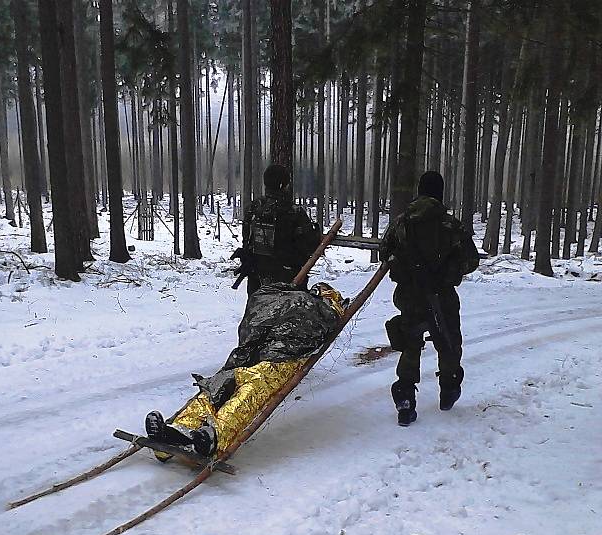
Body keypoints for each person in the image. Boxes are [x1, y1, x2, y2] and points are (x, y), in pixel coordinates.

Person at [145, 281, 348, 457]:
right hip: (259, 354)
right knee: (218, 385)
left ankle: (214, 436)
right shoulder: (295, 299)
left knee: (250, 391)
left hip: (281, 362)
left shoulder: (322, 309)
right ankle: (177, 431)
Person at [379, 171, 480, 426]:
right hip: (442, 296)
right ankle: (448, 389)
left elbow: (384, 252)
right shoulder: (450, 224)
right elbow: (471, 260)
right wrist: (448, 272)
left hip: (409, 296)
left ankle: (405, 396)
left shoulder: (401, 223)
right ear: (439, 193)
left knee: (411, 343)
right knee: (448, 341)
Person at [233, 164, 321, 295]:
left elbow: (246, 240)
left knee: (257, 311)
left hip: (257, 276)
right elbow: (308, 246)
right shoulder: (294, 211)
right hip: (288, 278)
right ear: (284, 185)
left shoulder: (253, 208)